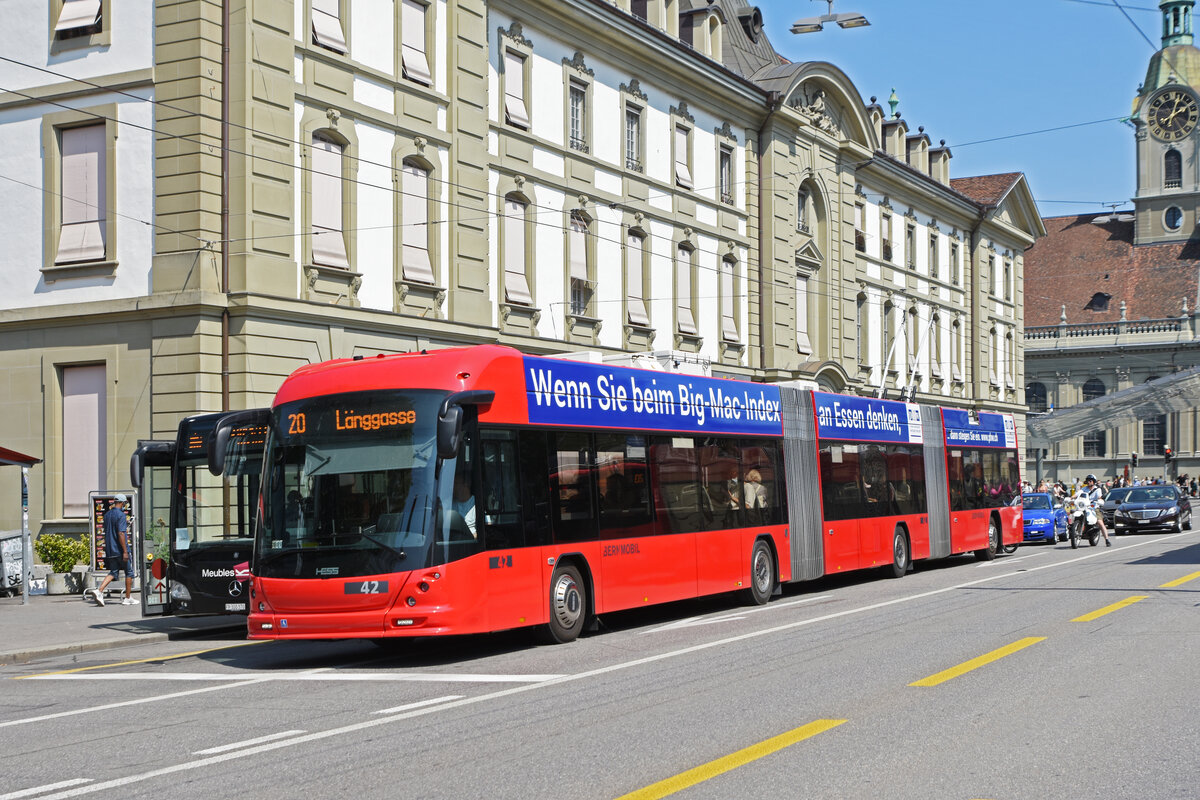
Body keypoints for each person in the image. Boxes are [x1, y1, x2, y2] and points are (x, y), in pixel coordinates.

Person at [86, 495, 135, 606]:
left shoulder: (107, 515)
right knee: (129, 572)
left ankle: (99, 591)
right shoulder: (121, 515)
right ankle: (128, 598)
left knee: (113, 571)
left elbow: (112, 530)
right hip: (120, 549)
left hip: (110, 549)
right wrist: (125, 551)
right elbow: (121, 533)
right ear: (122, 503)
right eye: (125, 503)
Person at [1081, 475, 1111, 547]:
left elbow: (1099, 497)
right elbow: (1078, 494)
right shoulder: (1084, 489)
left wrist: (1099, 500)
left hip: (1094, 508)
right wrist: (1071, 497)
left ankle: (1107, 540)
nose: (1089, 482)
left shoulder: (1097, 489)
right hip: (1084, 507)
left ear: (1093, 481)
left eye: (1090, 480)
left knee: (1100, 522)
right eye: (1088, 480)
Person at [452, 471, 476, 536]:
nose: (453, 487)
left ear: (465, 484)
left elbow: (487, 527)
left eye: (456, 483)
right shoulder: (449, 504)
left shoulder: (477, 504)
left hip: (471, 541)